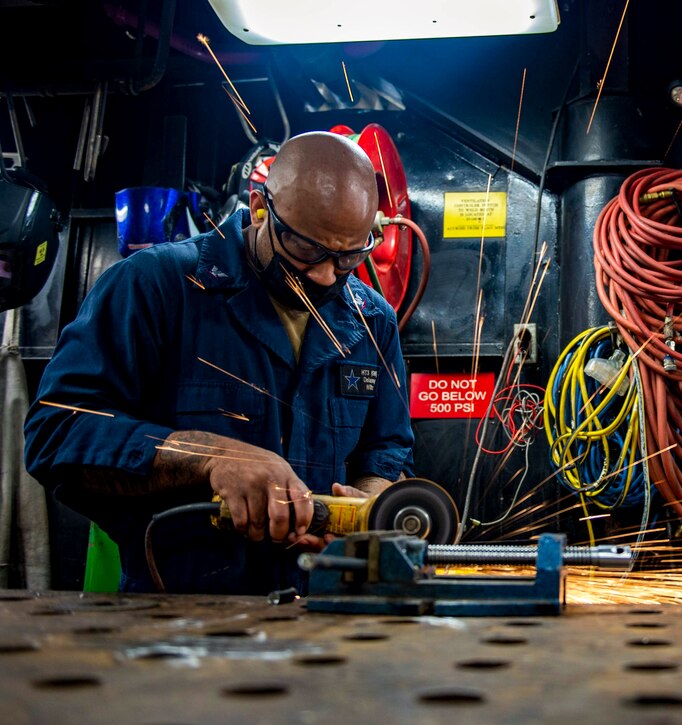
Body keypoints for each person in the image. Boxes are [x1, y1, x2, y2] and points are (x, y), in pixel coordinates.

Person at [23, 131, 414, 595]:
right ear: (261, 206)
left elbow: (385, 450)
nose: (328, 276)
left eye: (350, 254)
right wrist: (207, 456)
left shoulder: (372, 319)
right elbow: (58, 430)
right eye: (308, 250)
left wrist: (369, 502)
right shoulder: (158, 287)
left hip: (320, 609)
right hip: (176, 615)